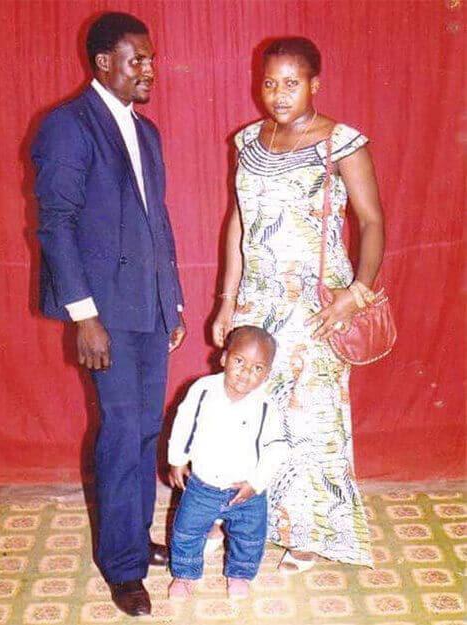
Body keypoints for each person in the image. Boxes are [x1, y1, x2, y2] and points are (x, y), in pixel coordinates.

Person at [31, 12, 186, 616]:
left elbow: (158, 220)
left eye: (151, 58)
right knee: (122, 431)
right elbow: (55, 224)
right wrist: (84, 315)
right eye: (137, 59)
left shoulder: (145, 131)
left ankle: (128, 538)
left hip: (146, 304)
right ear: (103, 62)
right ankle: (120, 568)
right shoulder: (68, 126)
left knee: (146, 429)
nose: (150, 69)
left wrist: (170, 296)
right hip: (104, 311)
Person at [213, 37, 384, 572]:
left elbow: (373, 221)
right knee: (246, 412)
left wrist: (355, 295)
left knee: (309, 421)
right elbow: (238, 220)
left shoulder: (341, 142)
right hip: (256, 301)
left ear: (315, 84)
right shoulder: (247, 140)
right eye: (269, 82)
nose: (279, 94)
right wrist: (226, 301)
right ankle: (242, 517)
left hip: (315, 308)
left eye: (292, 83)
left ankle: (308, 533)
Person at [167, 326, 288, 598]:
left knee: (249, 537)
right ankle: (184, 575)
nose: (246, 373)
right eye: (239, 361)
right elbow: (184, 423)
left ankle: (239, 575)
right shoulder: (202, 390)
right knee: (187, 532)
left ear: (267, 374)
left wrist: (257, 483)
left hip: (246, 491)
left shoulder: (266, 405)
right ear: (223, 358)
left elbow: (276, 447)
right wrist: (177, 459)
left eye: (257, 368)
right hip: (202, 485)